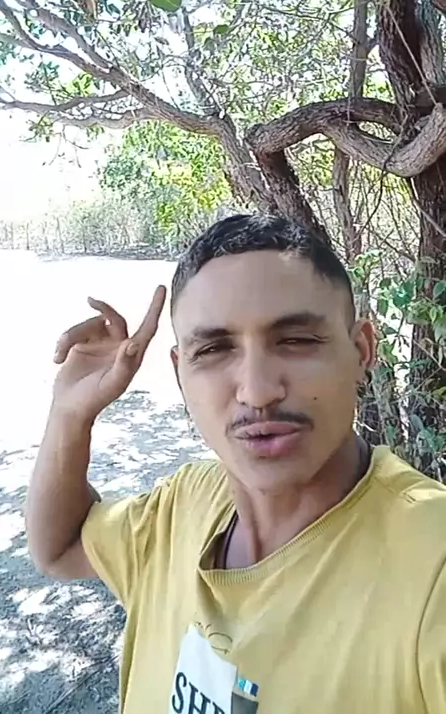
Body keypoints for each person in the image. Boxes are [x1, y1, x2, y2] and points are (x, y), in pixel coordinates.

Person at [26, 213, 446, 714]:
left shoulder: (431, 569)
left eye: (297, 340)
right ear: (181, 373)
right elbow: (59, 548)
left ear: (361, 351)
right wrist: (70, 413)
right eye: (214, 349)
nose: (258, 391)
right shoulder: (183, 504)